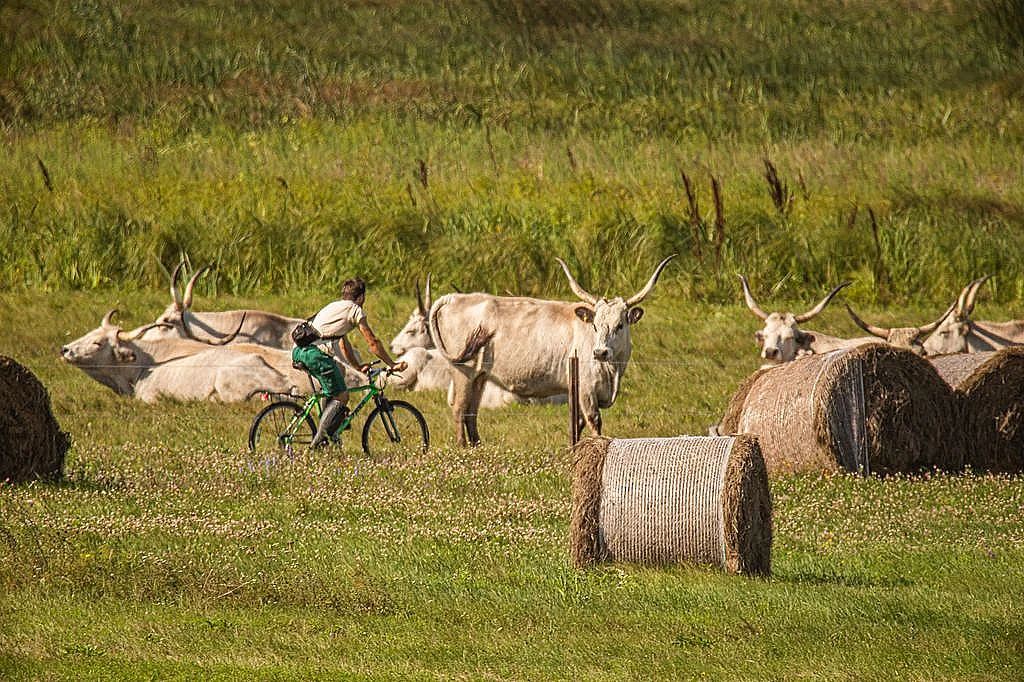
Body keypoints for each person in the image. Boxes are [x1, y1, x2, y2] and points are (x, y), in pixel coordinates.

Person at [292, 278, 407, 448]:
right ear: (361, 297)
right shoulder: (355, 310)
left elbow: (343, 345)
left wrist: (358, 367)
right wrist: (392, 364)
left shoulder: (335, 307)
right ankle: (318, 442)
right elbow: (373, 343)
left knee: (339, 370)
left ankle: (329, 426)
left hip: (299, 351)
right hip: (313, 354)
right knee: (343, 396)